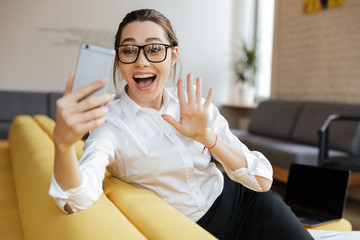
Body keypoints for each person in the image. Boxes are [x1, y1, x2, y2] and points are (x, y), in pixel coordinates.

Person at [49, 9, 313, 240]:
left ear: (173, 56)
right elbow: (76, 199)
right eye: (129, 50)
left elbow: (262, 180)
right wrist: (62, 145)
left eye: (154, 49)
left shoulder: (194, 105)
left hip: (246, 207)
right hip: (189, 231)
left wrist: (208, 137)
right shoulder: (110, 125)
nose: (142, 61)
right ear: (119, 61)